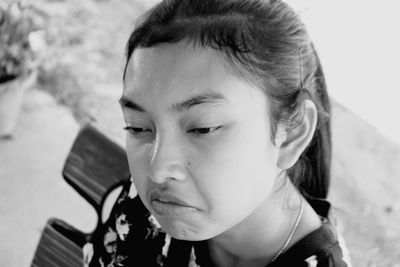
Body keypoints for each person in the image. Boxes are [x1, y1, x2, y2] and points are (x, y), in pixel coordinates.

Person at [83, 0, 352, 266]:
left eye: (203, 128)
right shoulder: (152, 206)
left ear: (292, 134)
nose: (157, 169)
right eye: (137, 127)